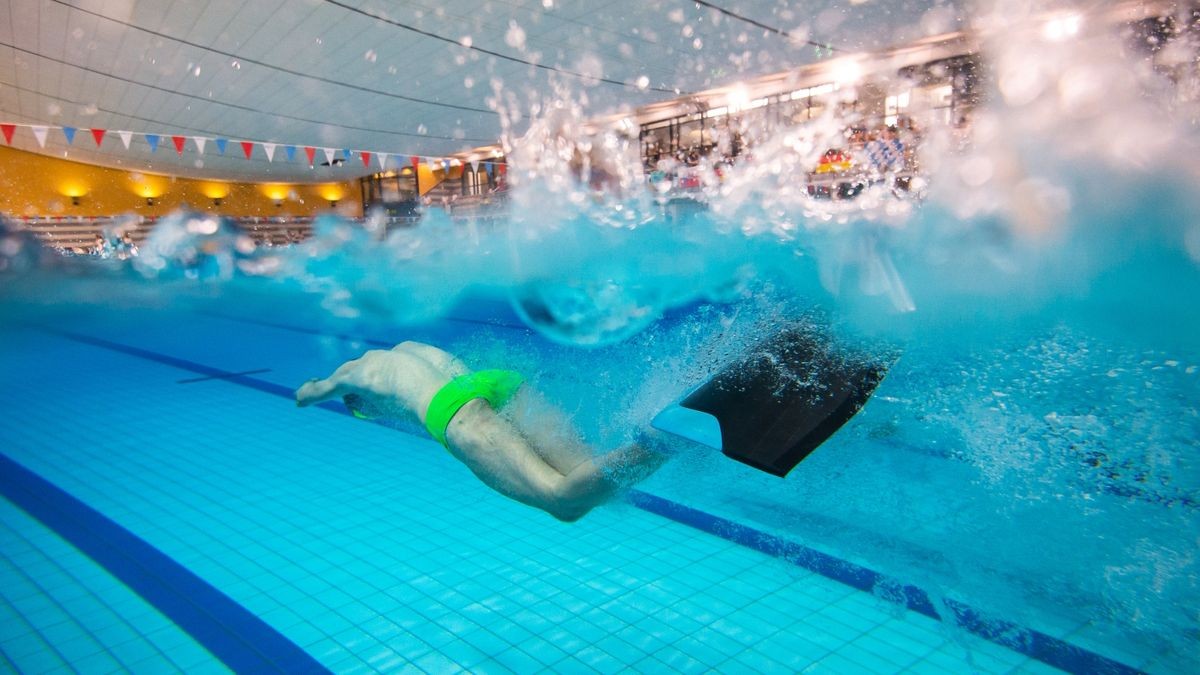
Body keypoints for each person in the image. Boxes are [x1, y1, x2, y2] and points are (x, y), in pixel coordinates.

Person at [296, 341, 668, 522]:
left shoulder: (355, 376)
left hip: (453, 411)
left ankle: (663, 441)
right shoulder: (404, 350)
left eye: (367, 414)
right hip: (494, 382)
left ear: (359, 402)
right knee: (591, 483)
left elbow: (310, 393)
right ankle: (671, 424)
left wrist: (308, 391)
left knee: (563, 502)